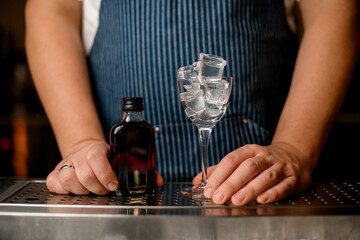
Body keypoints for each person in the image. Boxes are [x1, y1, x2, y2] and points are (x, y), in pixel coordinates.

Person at [25, 0, 359, 205]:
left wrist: (293, 147)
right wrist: (81, 142)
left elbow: (332, 6)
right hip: (123, 204)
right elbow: (50, 9)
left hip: (265, 200)